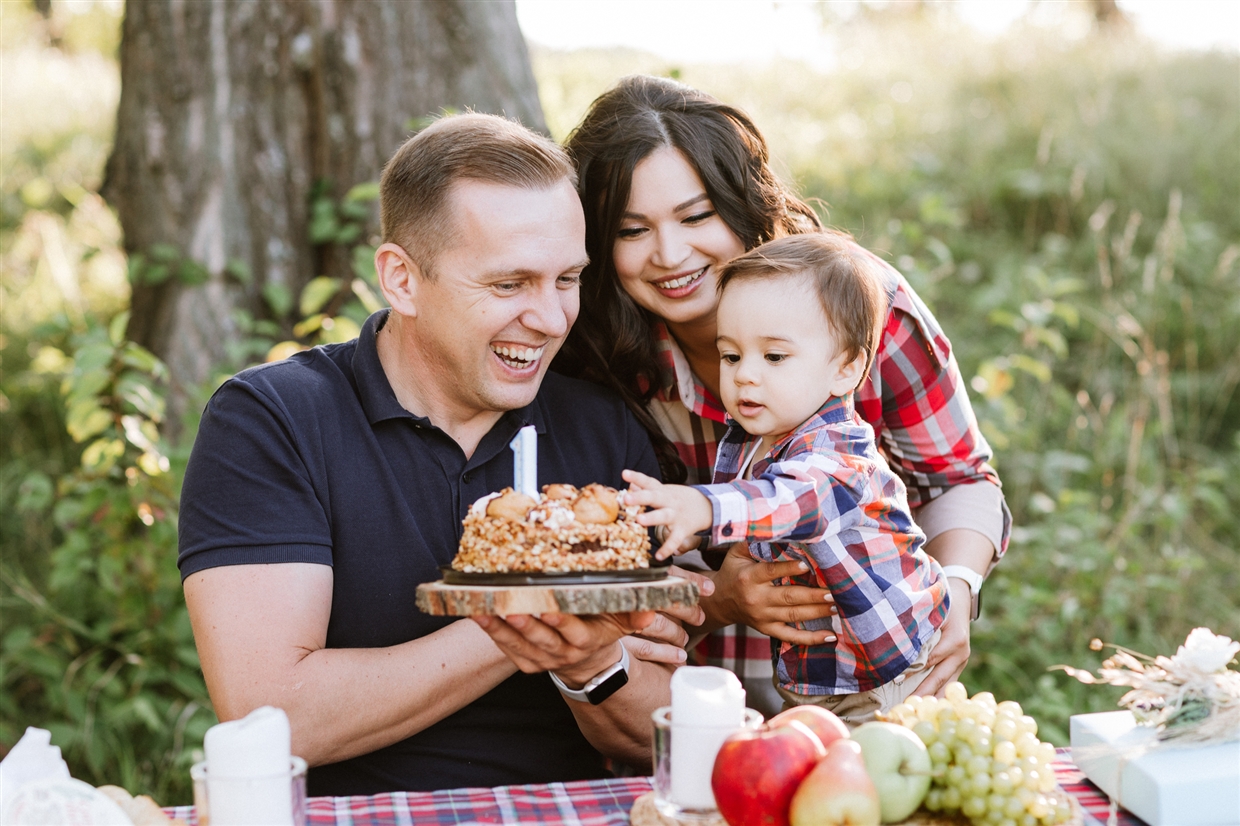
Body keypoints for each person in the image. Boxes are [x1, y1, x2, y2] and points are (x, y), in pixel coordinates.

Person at [177, 112, 706, 797]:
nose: (549, 319)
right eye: (509, 284)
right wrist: (544, 608)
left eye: (567, 280)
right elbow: (271, 715)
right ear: (401, 280)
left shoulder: (602, 428)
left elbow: (655, 731)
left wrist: (595, 663)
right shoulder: (274, 419)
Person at [557, 74, 1010, 716]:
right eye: (632, 231)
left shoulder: (861, 312)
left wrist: (957, 588)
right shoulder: (600, 353)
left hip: (865, 678)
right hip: (696, 698)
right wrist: (721, 596)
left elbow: (960, 478)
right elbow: (599, 577)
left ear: (742, 203)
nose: (670, 253)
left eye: (696, 216)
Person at [624, 234, 951, 721]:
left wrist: (705, 507)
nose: (744, 376)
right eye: (731, 356)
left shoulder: (841, 457)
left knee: (861, 786)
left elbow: (789, 500)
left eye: (773, 357)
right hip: (819, 672)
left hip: (887, 679)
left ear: (846, 369)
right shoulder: (757, 438)